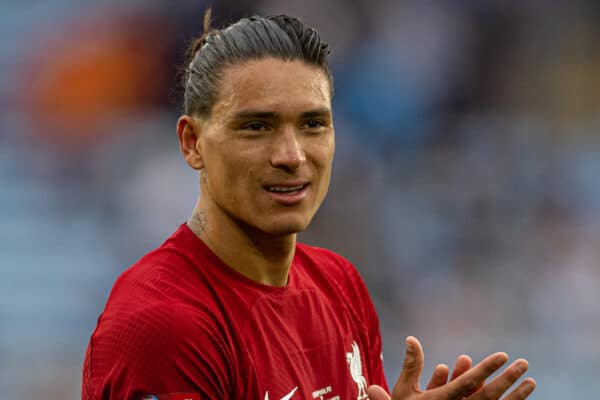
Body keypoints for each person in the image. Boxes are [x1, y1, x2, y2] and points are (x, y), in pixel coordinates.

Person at [82, 11, 536, 400]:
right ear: (193, 142)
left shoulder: (340, 286)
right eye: (257, 126)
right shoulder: (163, 324)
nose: (292, 155)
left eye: (313, 124)